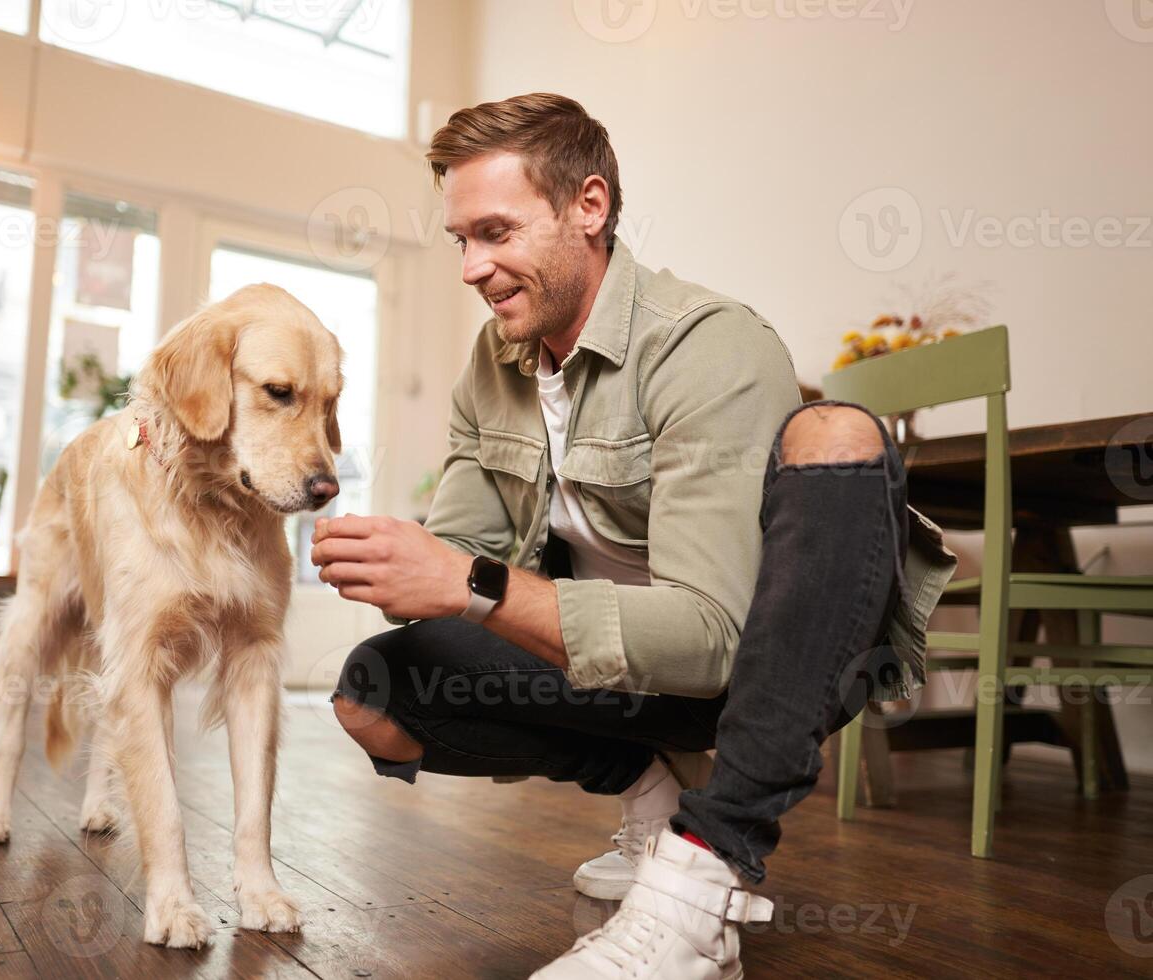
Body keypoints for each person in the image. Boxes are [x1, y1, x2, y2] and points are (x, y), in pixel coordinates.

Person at [311, 94, 957, 980]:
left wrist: (472, 583)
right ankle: (648, 793)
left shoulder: (706, 344)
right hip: (607, 669)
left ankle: (701, 881)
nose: (471, 267)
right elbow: (461, 569)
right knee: (375, 692)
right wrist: (400, 563)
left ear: (590, 206)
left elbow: (712, 642)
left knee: (840, 430)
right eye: (460, 239)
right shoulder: (494, 363)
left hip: (759, 671)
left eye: (495, 232)